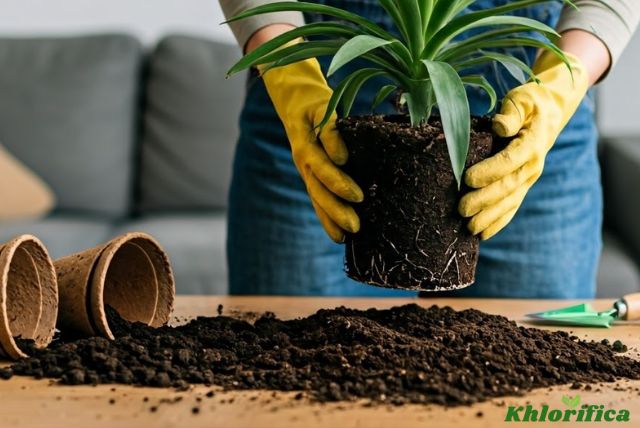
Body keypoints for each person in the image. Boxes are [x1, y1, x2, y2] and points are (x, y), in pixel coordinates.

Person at [220, 0, 639, 298]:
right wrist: (287, 70)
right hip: (322, 72)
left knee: (527, 389)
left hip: (528, 86)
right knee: (293, 377)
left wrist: (563, 82)